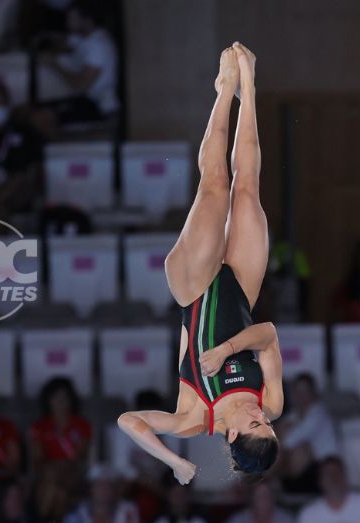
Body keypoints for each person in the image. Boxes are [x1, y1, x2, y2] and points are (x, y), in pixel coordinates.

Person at [117, 43, 284, 484]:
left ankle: (223, 90)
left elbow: (128, 421)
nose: (260, 416)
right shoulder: (271, 401)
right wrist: (229, 350)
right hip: (241, 292)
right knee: (247, 190)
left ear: (230, 435)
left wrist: (173, 461)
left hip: (192, 286)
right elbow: (268, 337)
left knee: (214, 187)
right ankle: (248, 83)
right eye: (267, 424)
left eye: (253, 425)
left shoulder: (195, 417)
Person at [37, 1, 119, 131]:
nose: (68, 22)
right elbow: (63, 44)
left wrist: (55, 65)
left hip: (97, 106)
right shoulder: (82, 37)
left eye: (72, 18)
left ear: (87, 20)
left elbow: (82, 85)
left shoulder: (98, 46)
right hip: (81, 100)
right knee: (32, 109)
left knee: (43, 117)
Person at [28, 376, 92, 521]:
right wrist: (54, 468)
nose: (60, 402)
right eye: (55, 397)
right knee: (60, 492)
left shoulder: (82, 425)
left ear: (71, 400)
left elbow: (81, 457)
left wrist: (62, 467)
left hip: (74, 471)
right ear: (48, 400)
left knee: (53, 484)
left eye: (64, 397)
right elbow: (38, 459)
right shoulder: (39, 426)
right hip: (48, 472)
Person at [0, 80, 43, 220]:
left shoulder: (24, 133)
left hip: (16, 192)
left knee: (1, 206)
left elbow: (20, 176)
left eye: (0, 104)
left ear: (8, 106)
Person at [278, 373, 339, 493]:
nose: (302, 396)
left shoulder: (318, 414)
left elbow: (287, 442)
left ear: (313, 394)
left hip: (326, 467)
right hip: (307, 469)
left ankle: (274, 482)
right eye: (298, 391)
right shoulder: (295, 415)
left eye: (306, 391)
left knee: (301, 450)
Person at [60, 464, 139, 523]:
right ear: (91, 488)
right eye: (99, 485)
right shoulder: (76, 516)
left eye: (107, 485)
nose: (103, 490)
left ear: (114, 489)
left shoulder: (127, 512)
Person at [223, 480, 296, 523]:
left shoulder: (287, 520)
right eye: (259, 496)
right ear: (251, 498)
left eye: (266, 495)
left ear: (273, 497)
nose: (263, 500)